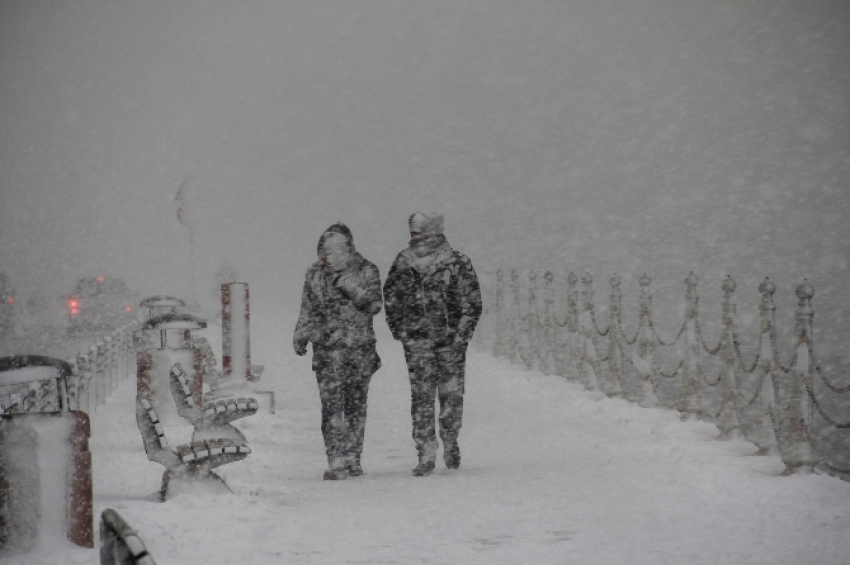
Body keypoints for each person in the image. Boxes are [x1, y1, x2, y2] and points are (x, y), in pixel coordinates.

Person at [383, 211, 482, 476]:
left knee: (451, 397)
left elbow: (471, 303)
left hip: (451, 343)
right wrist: (401, 330)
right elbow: (391, 298)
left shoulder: (457, 263)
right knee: (422, 398)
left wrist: (461, 335)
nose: (416, 238)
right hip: (417, 343)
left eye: (421, 232)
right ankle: (425, 452)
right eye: (413, 233)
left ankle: (450, 440)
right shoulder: (403, 263)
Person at [293, 223, 383, 480]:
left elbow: (374, 304)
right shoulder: (314, 273)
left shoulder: (367, 270)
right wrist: (301, 335)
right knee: (331, 407)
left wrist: (347, 285)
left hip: (359, 350)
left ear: (348, 249)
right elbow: (307, 307)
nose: (326, 257)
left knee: (355, 405)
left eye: (333, 250)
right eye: (323, 250)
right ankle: (336, 460)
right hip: (326, 350)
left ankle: (353, 457)